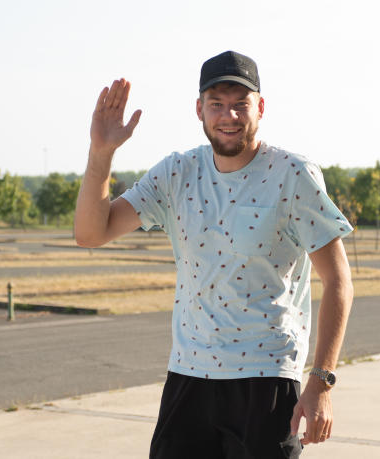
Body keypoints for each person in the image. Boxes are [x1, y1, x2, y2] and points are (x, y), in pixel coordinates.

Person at [75, 50, 354, 459]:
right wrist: (101, 152)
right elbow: (90, 233)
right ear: (199, 109)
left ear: (260, 107)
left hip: (266, 379)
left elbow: (338, 281)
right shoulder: (176, 173)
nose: (229, 116)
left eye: (241, 104)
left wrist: (321, 383)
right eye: (217, 104)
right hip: (189, 376)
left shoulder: (293, 175)